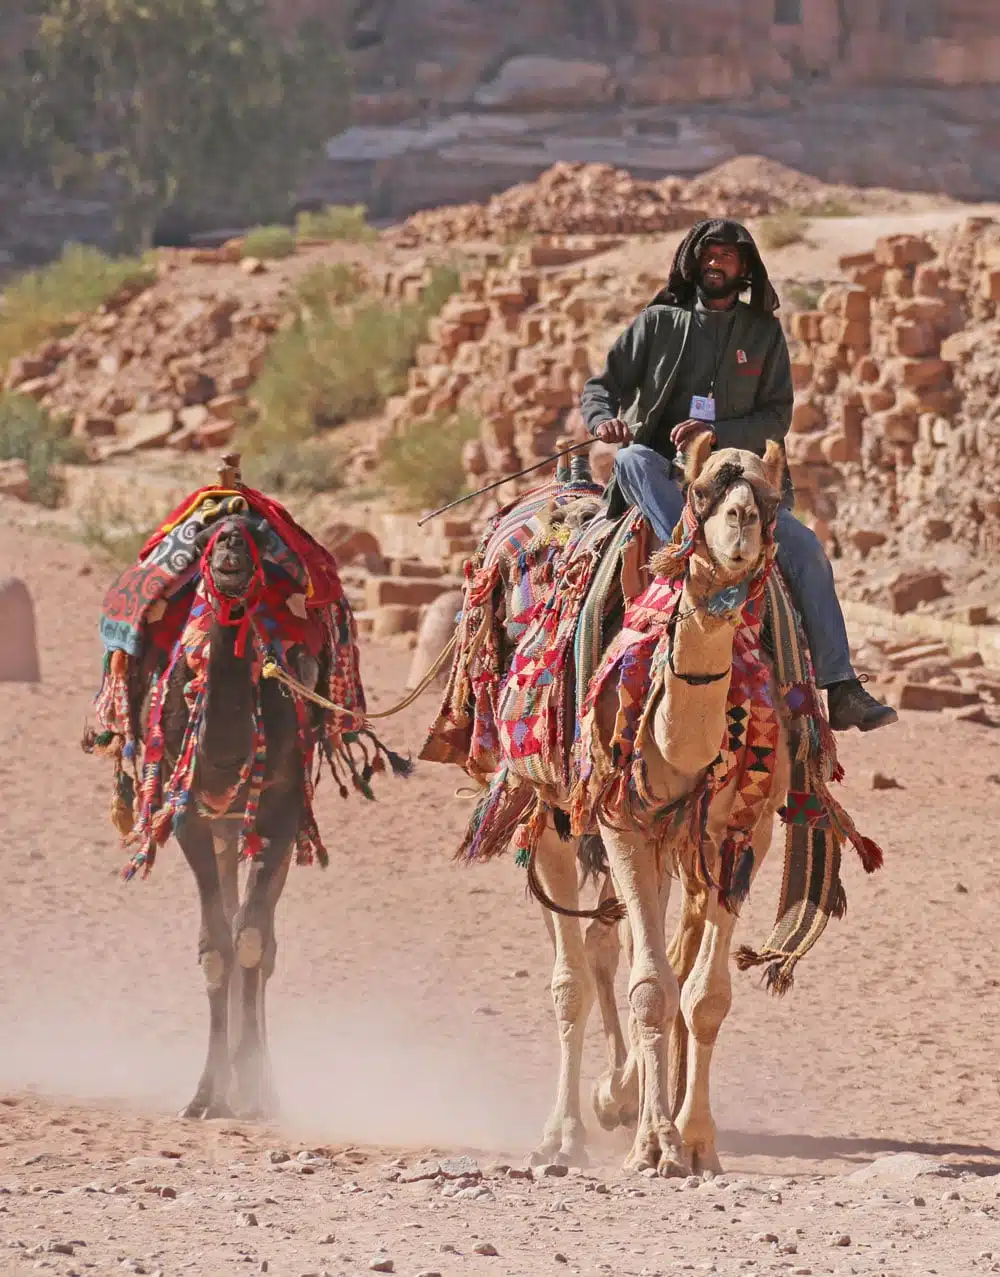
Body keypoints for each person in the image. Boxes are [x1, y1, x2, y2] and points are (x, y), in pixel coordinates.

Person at [580, 218, 896, 733]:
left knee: (808, 551)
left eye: (728, 255)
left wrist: (717, 429)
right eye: (709, 253)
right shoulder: (659, 322)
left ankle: (841, 687)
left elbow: (777, 416)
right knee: (631, 459)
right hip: (668, 477)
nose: (717, 262)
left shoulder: (763, 333)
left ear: (745, 268)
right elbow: (603, 385)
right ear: (693, 261)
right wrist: (603, 419)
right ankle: (690, 552)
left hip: (737, 478)